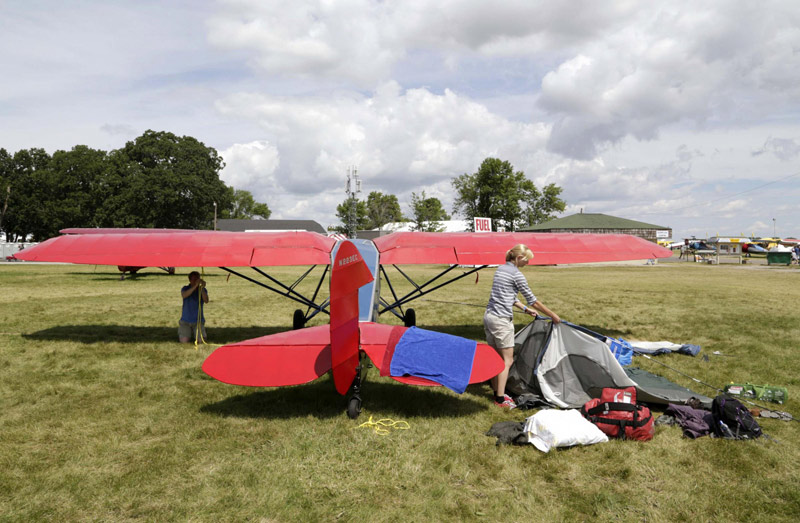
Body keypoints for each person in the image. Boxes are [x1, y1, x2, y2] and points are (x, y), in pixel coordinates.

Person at [484, 244, 561, 408]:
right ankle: (500, 399)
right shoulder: (517, 275)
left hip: (489, 317)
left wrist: (525, 310)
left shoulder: (501, 269)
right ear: (519, 258)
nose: (528, 263)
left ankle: (495, 390)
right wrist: (553, 315)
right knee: (507, 360)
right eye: (527, 260)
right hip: (501, 321)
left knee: (495, 357)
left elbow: (510, 297)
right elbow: (533, 300)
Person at [179, 271, 209, 343]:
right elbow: (184, 295)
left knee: (201, 341)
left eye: (197, 279)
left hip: (198, 320)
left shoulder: (203, 290)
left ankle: (198, 333)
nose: (196, 281)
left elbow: (206, 300)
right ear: (190, 280)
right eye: (194, 279)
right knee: (184, 341)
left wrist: (201, 288)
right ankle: (189, 333)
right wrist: (195, 286)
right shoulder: (185, 288)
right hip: (185, 321)